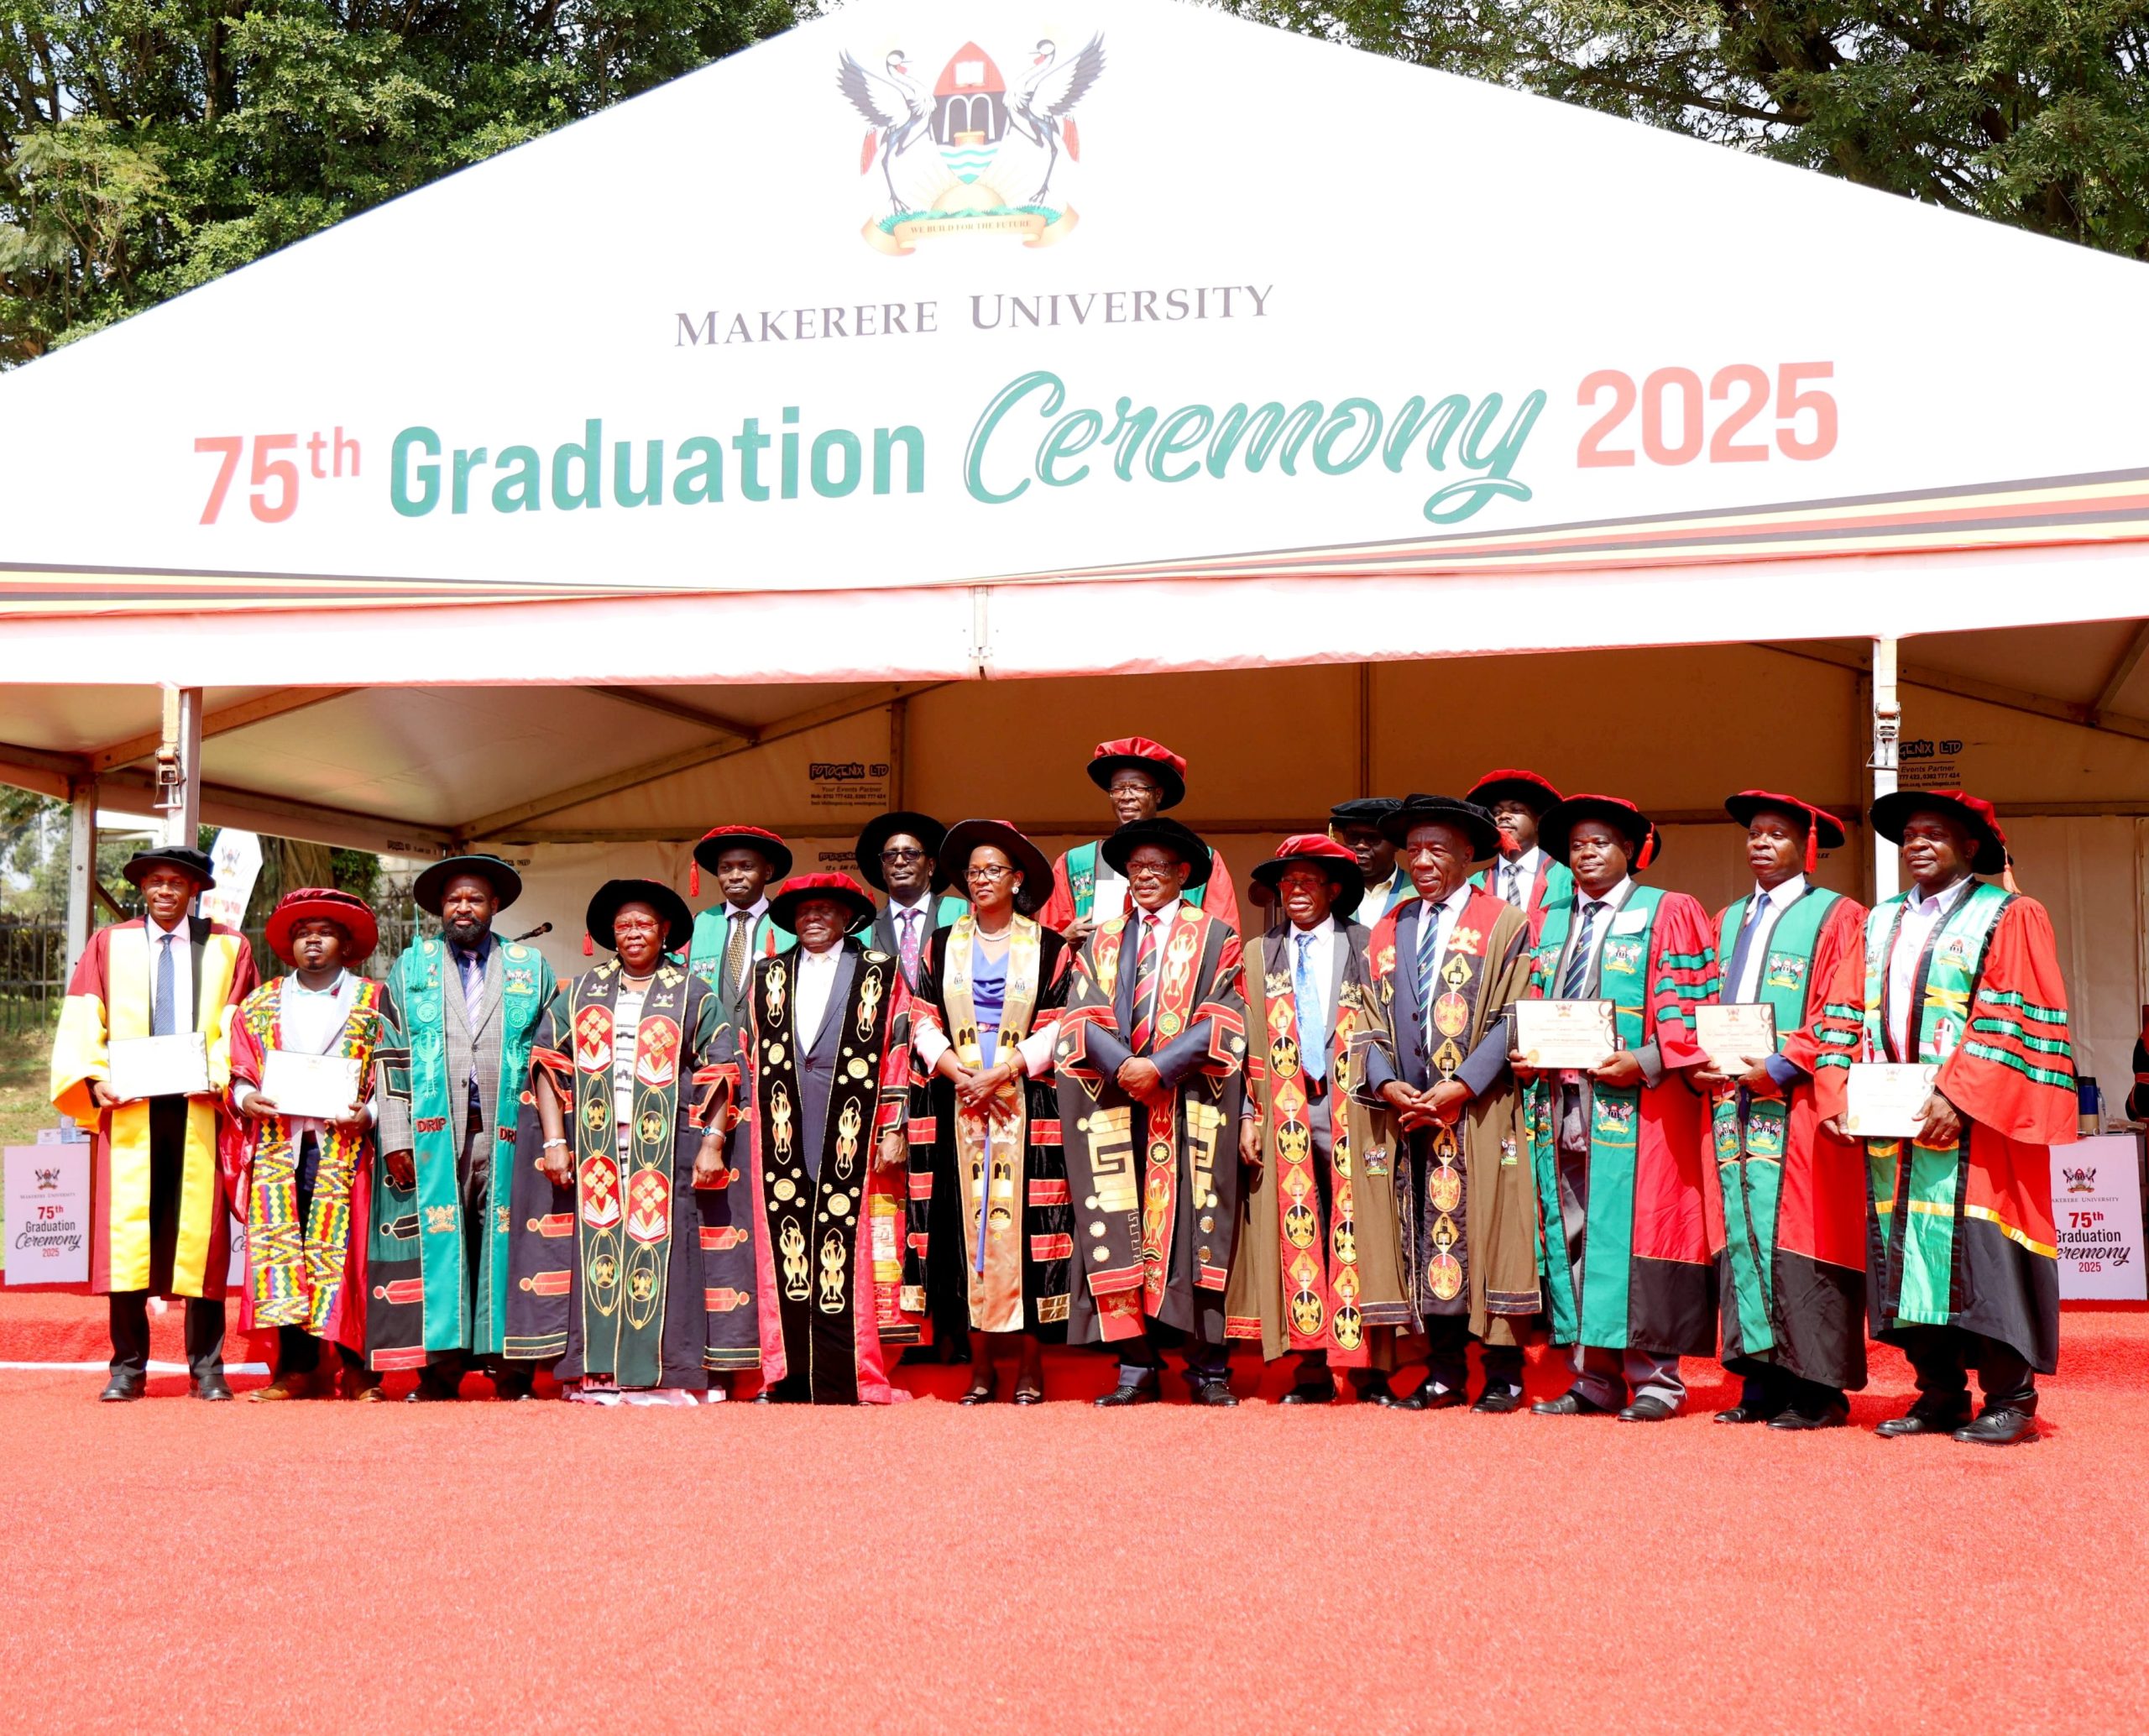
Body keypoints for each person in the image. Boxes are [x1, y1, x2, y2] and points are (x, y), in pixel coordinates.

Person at [1813, 790, 2076, 1446]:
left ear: (1970, 847)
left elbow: (2010, 1013)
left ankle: (2011, 1400)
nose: (1918, 844)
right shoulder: (1877, 924)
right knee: (1904, 1264)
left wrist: (1958, 1097)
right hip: (1893, 1133)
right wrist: (1837, 1093)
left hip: (1975, 1133)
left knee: (1986, 1259)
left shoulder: (2008, 914)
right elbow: (1841, 1012)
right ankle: (1938, 1395)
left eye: (1935, 833)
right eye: (1909, 835)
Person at [1517, 795, 1718, 1421]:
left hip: (1639, 1107)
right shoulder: (1549, 923)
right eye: (1577, 844)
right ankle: (1595, 1377)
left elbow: (1695, 1008)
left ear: (1630, 849)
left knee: (1637, 1236)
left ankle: (1656, 1380)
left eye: (1602, 841)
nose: (1587, 852)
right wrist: (1524, 1050)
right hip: (1562, 1100)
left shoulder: (1666, 911)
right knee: (1576, 1236)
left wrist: (1649, 1060)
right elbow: (1530, 1001)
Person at [506, 881, 744, 1404]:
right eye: (624, 925)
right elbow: (547, 1063)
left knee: (666, 1251)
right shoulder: (585, 991)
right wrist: (553, 1142)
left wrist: (712, 1142)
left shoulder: (692, 992)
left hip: (667, 1149)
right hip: (596, 1147)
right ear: (610, 935)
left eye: (644, 924)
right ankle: (600, 1374)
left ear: (665, 933)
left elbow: (722, 1069)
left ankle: (669, 1374)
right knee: (599, 1255)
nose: (634, 933)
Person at [51, 844, 259, 1401]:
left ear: (195, 891)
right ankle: (127, 1368)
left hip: (199, 1109)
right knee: (127, 1238)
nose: (164, 890)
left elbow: (237, 1022)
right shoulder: (108, 944)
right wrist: (93, 1081)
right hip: (131, 1111)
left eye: (177, 883)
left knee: (204, 1239)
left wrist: (220, 1080)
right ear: (142, 888)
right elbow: (81, 1019)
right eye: (154, 881)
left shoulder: (227, 946)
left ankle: (207, 1370)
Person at [1353, 798, 1540, 1411]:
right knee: (1424, 1238)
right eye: (1414, 850)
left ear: (1468, 855)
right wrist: (1385, 1085)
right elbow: (1363, 1018)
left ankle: (1504, 1372)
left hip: (1480, 1111)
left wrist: (1462, 1086)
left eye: (1438, 849)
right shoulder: (1391, 924)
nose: (1423, 860)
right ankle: (1444, 1372)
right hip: (1408, 1116)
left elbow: (1517, 1015)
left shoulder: (1505, 922)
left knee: (1488, 1233)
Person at [1056, 817, 1249, 1405]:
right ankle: (1135, 1365)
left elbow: (1227, 1015)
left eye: (1156, 868)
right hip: (1114, 1103)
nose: (1143, 878)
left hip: (1189, 1103)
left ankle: (1208, 1369)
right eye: (1135, 868)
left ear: (1183, 874)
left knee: (1198, 1227)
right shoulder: (1103, 938)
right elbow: (1078, 1015)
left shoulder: (1215, 935)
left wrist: (1160, 1067)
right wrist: (1126, 1068)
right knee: (1115, 1226)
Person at [1697, 792, 1869, 1430]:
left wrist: (1780, 1067)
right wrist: (1704, 1057)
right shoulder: (1727, 919)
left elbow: (1840, 1009)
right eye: (1754, 835)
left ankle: (1817, 1388)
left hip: (1795, 1103)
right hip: (1729, 1103)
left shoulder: (1838, 916)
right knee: (1742, 1234)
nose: (1760, 844)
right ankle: (1761, 1380)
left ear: (1807, 846)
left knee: (1802, 1236)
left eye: (1775, 834)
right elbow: (1703, 1005)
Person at [1225, 835, 1413, 1404]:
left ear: (1334, 889)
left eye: (1308, 882)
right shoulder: (1259, 953)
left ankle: (1370, 1370)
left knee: (1365, 1229)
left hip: (1354, 1106)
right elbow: (1242, 1043)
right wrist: (1249, 1114)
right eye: (1287, 883)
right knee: (1297, 1227)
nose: (1297, 892)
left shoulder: (1369, 944)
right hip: (1283, 1104)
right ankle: (1309, 1370)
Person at [372, 854, 557, 1399]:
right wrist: (397, 1136)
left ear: (495, 906)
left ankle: (511, 1369)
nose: (464, 907)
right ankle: (441, 1371)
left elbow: (550, 1056)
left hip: (508, 1129)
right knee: (442, 1244)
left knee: (507, 1243)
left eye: (475, 898)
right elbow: (390, 1054)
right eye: (454, 899)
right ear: (439, 908)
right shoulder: (411, 968)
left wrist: (549, 1136)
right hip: (437, 1128)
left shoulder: (530, 967)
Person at [905, 819, 1074, 1403]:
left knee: (1031, 1235)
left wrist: (1002, 1072)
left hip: (1025, 1102)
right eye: (973, 871)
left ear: (1017, 878)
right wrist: (959, 1074)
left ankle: (1030, 1364)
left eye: (993, 870)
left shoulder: (1049, 946)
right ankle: (980, 1366)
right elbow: (920, 1018)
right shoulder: (940, 943)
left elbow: (1059, 1024)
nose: (981, 880)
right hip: (957, 1107)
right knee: (960, 1230)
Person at [737, 873, 916, 1403]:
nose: (813, 918)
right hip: (780, 1125)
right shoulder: (767, 974)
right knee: (786, 1247)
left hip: (852, 1125)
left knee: (849, 1245)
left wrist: (892, 1125)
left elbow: (899, 1052)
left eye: (825, 909)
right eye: (804, 911)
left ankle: (853, 1375)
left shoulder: (880, 974)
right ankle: (784, 1373)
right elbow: (748, 1056)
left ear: (847, 917)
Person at [228, 888, 393, 1401]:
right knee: (285, 1250)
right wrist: (246, 1096)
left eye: (324, 932)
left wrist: (369, 1114)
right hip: (282, 1144)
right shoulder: (261, 1003)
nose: (313, 941)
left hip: (347, 1147)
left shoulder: (375, 999)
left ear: (346, 943)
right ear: (289, 946)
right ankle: (298, 1368)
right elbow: (239, 1068)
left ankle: (359, 1366)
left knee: (351, 1254)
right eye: (302, 934)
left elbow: (394, 1071)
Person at [1038, 737, 1242, 940]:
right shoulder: (1075, 863)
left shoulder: (1200, 858)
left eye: (1138, 788)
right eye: (1118, 789)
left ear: (1158, 795)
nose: (1126, 796)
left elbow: (1224, 939)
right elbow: (1048, 940)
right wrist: (1065, 938)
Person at [684, 825, 794, 1020]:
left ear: (767, 872)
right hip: (710, 1044)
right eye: (725, 868)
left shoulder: (789, 924)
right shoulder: (696, 926)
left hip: (771, 1043)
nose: (734, 876)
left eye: (746, 867)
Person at [857, 810, 963, 990]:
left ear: (930, 866)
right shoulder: (865, 928)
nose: (899, 861)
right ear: (883, 871)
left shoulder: (960, 913)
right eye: (890, 855)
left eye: (911, 853)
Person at [1466, 769, 1572, 944]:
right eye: (1497, 812)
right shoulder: (1474, 885)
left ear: (1538, 822)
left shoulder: (1567, 877)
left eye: (1516, 810)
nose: (1504, 816)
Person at [1328, 797, 1410, 926]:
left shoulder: (1418, 892)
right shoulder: (1330, 894)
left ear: (1396, 843)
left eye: (1373, 838)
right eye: (1353, 837)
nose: (1361, 846)